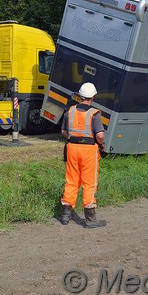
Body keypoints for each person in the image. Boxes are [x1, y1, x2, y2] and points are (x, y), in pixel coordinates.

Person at [60, 82, 106, 228]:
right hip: (88, 150)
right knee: (89, 182)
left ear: (80, 96)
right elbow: (99, 135)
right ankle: (90, 218)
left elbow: (64, 132)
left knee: (72, 180)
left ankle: (66, 214)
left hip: (72, 148)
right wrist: (101, 143)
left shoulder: (70, 111)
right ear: (92, 97)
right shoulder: (94, 114)